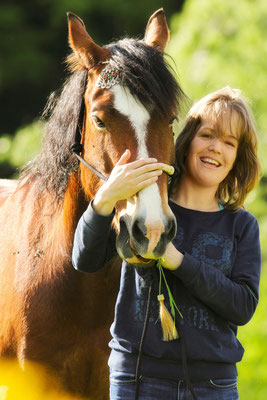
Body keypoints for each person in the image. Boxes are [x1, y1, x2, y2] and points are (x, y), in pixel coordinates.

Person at [72, 86, 261, 400]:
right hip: (136, 378)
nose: (216, 148)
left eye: (229, 143)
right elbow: (84, 260)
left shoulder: (242, 224)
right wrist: (105, 200)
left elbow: (242, 306)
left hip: (212, 386)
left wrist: (177, 260)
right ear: (186, 141)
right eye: (208, 135)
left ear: (237, 158)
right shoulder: (145, 207)